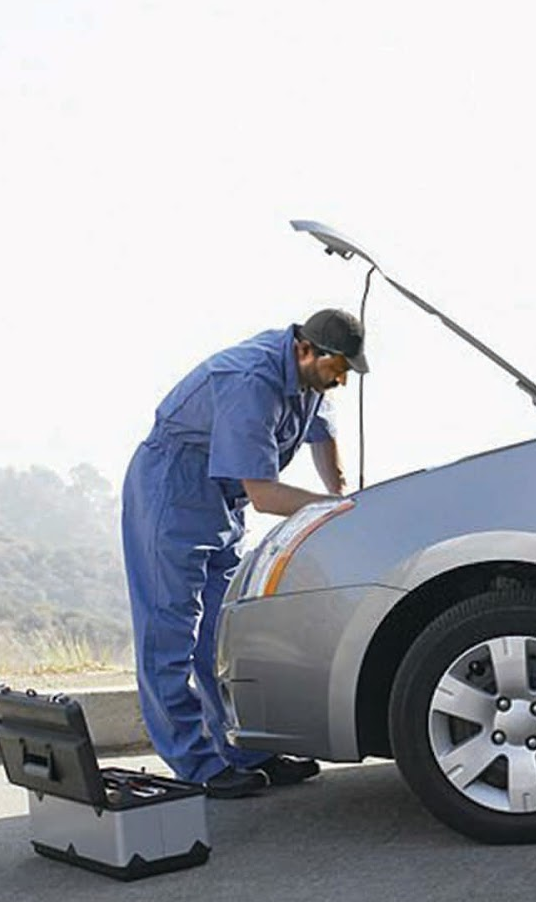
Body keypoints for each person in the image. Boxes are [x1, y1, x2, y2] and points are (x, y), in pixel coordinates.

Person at [121, 308, 369, 798]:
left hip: (221, 498)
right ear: (305, 349)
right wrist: (343, 512)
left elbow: (324, 438)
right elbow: (266, 495)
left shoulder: (311, 379)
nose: (340, 380)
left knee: (222, 633)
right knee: (170, 630)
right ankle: (196, 764)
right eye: (336, 368)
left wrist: (344, 492)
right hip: (173, 489)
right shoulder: (250, 381)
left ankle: (245, 751)